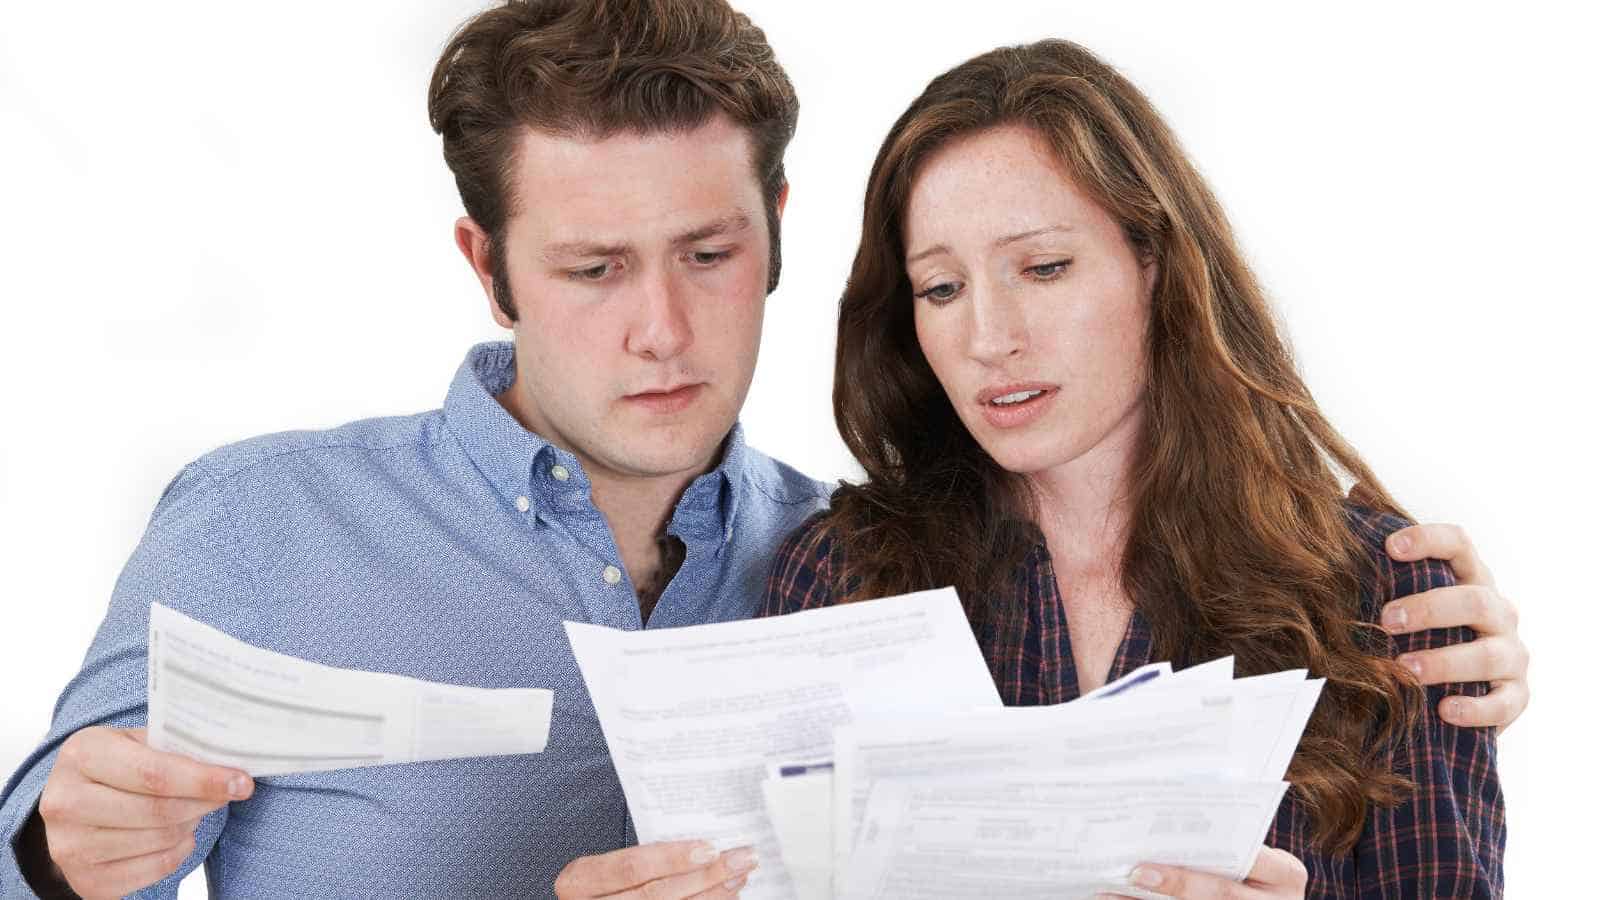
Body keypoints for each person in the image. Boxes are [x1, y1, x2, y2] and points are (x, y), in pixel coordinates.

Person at [0, 4, 1522, 899]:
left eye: (709, 254)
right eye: (592, 270)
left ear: (780, 234)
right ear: (488, 266)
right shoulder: (264, 521)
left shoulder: (819, 557)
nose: (661, 330)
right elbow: (44, 849)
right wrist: (66, 852)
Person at [762, 39, 1505, 899]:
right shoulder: (837, 580)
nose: (989, 339)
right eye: (941, 288)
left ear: (1154, 263)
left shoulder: (1389, 598)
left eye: (1044, 268)